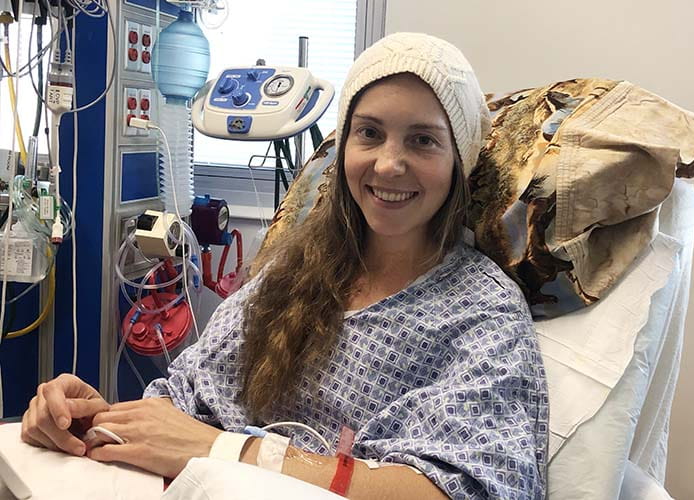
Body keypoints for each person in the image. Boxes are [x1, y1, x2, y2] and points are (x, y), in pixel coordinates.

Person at [20, 32, 549, 499]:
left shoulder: (482, 315)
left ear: (461, 160)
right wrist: (97, 419)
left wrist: (228, 451)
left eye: (424, 140)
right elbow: (189, 396)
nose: (389, 163)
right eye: (368, 133)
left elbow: (468, 487)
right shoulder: (290, 274)